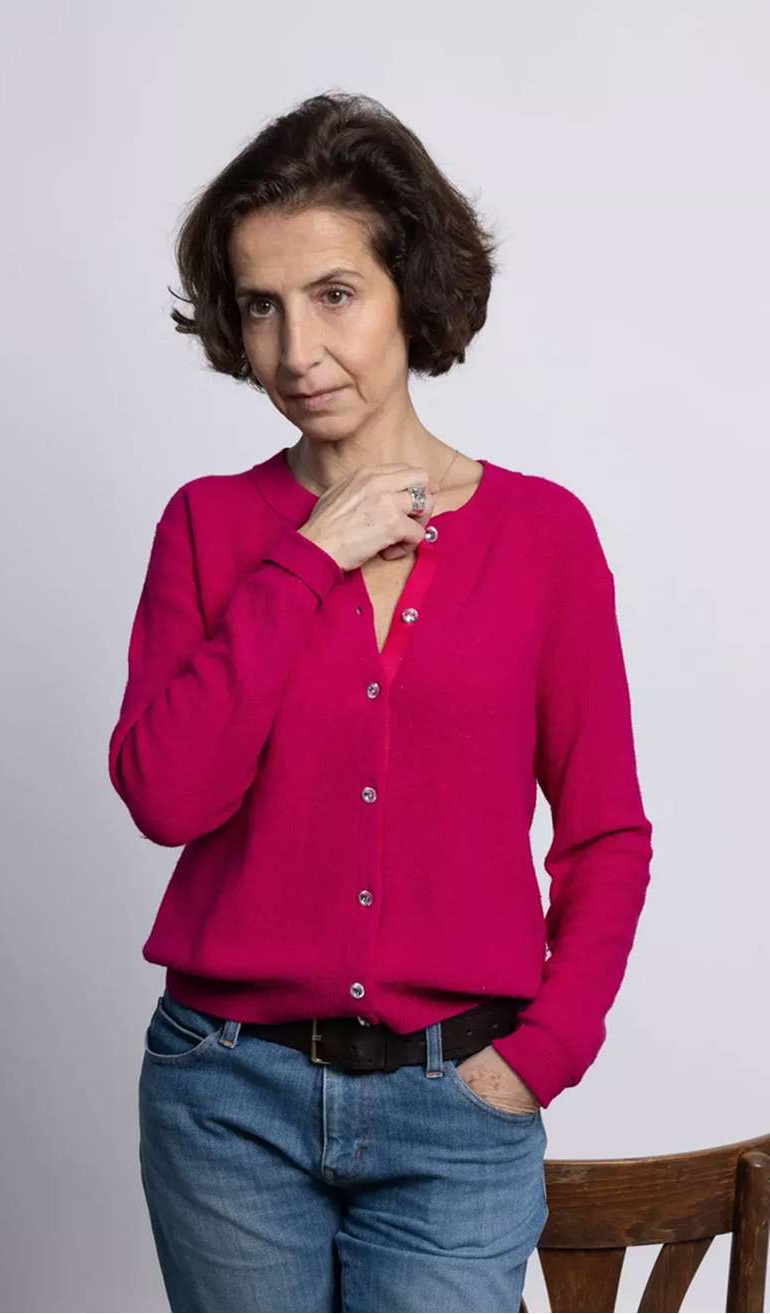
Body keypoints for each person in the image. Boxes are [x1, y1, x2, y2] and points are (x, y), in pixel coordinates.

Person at [108, 91, 653, 1314]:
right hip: (225, 1097)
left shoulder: (543, 538)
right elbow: (167, 796)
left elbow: (606, 833)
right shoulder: (209, 526)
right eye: (261, 305)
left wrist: (544, 1055)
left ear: (412, 287)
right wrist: (309, 556)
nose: (297, 351)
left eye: (335, 294)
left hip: (457, 1106)